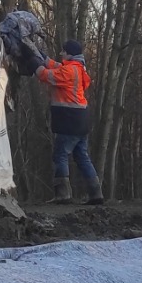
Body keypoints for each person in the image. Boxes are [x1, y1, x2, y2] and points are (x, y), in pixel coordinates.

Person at [34, 39, 103, 204]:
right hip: (82, 119)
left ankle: (63, 194)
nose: (61, 54)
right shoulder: (77, 69)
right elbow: (55, 65)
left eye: (63, 51)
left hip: (70, 119)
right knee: (82, 156)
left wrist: (34, 64)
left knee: (60, 155)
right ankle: (96, 193)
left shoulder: (69, 71)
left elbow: (46, 75)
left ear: (70, 53)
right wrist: (41, 56)